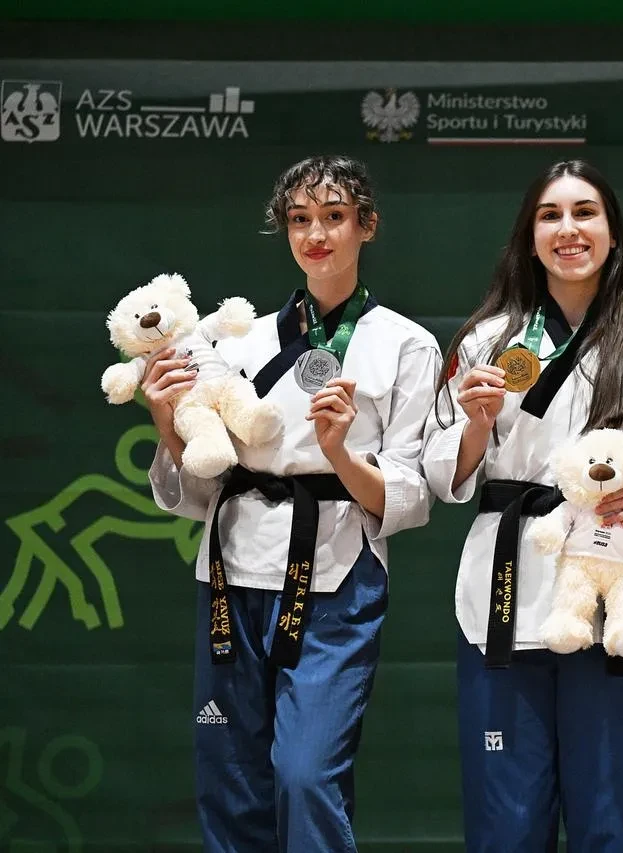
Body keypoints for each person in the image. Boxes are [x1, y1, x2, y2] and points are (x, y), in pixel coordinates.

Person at [145, 154, 439, 851]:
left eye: (335, 217)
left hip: (337, 573)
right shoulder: (234, 341)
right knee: (230, 771)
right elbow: (202, 481)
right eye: (300, 219)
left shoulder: (407, 345)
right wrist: (164, 419)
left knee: (305, 774)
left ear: (367, 225)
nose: (316, 234)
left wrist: (340, 453)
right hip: (231, 571)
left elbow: (408, 494)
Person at [423, 159, 623, 852]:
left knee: (612, 817)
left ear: (613, 233)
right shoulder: (486, 340)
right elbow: (440, 471)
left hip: (614, 594)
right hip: (505, 592)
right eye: (550, 215)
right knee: (507, 822)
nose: (568, 229)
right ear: (529, 237)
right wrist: (476, 426)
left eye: (585, 213)